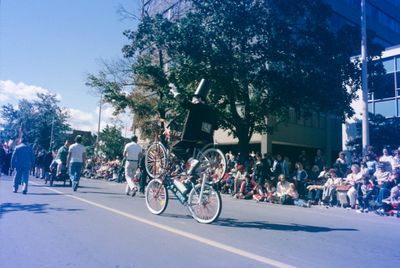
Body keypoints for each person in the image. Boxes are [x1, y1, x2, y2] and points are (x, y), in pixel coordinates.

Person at [169, 79, 217, 161]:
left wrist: (176, 93)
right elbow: (216, 126)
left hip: (193, 138)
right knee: (191, 153)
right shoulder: (211, 110)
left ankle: (191, 162)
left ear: (199, 99)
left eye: (194, 98)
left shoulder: (197, 106)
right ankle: (193, 169)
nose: (193, 100)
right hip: (206, 139)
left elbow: (185, 103)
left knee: (175, 148)